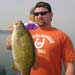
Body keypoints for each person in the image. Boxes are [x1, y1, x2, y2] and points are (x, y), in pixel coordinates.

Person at [6, 1, 75, 75]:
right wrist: (13, 34)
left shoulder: (63, 36)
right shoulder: (28, 33)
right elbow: (9, 46)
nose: (39, 16)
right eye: (36, 14)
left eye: (43, 13)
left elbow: (69, 65)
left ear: (51, 14)